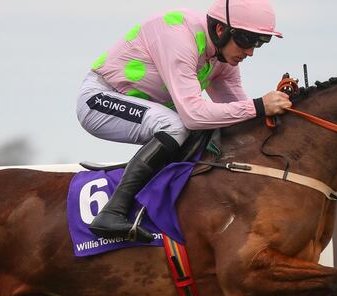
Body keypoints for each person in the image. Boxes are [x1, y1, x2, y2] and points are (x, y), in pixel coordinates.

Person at [76, 0, 292, 243]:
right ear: (221, 31)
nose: (251, 51)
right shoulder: (179, 36)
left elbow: (239, 115)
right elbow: (194, 115)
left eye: (259, 43)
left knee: (203, 128)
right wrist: (260, 105)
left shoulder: (222, 59)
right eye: (247, 40)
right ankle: (112, 212)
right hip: (99, 100)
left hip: (150, 109)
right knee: (178, 125)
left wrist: (280, 118)